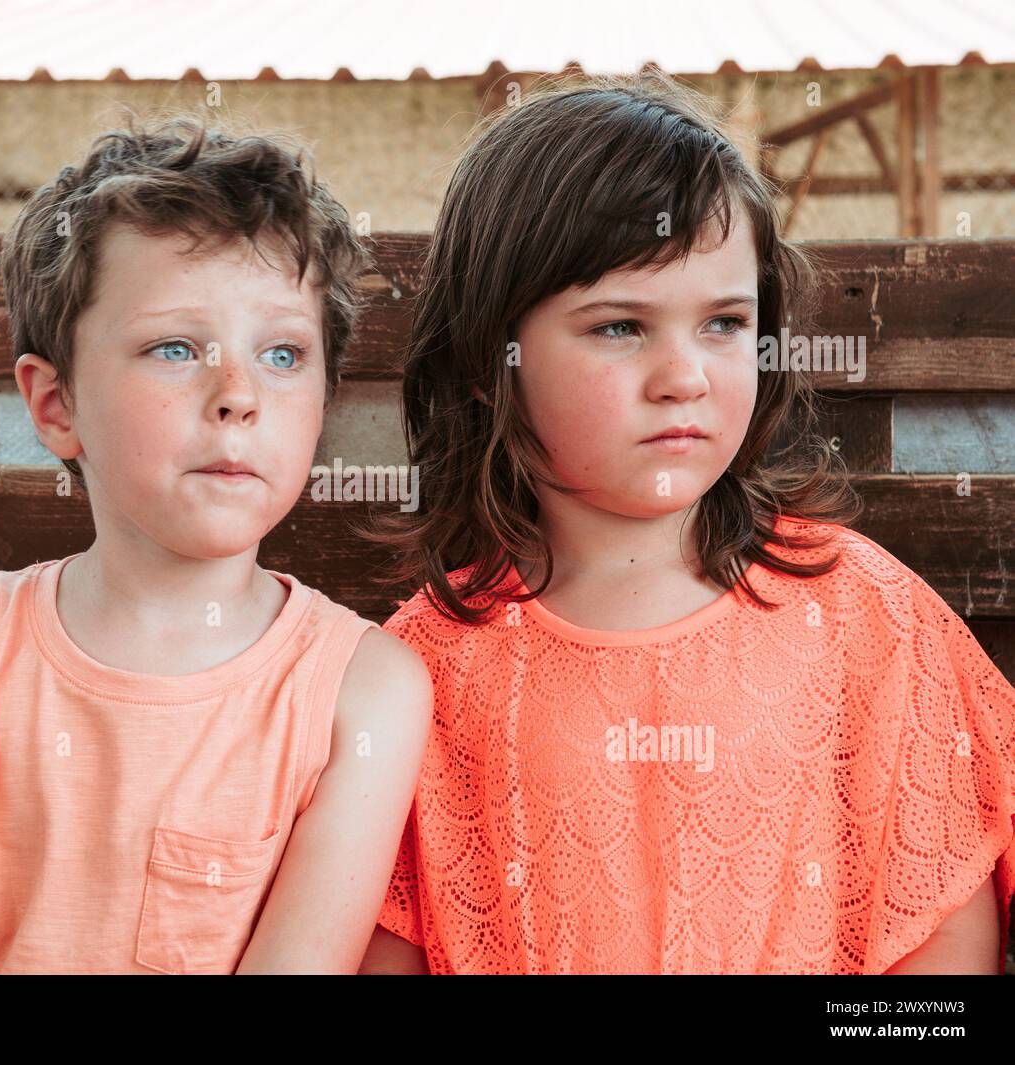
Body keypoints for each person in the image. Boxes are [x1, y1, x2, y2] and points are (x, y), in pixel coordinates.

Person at [356, 73, 1015, 975]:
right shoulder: (421, 673)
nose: (684, 375)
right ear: (487, 361)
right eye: (621, 326)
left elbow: (941, 940)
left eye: (724, 322)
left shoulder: (862, 615)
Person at [0, 114, 432, 975]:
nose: (238, 395)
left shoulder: (365, 693)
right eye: (176, 348)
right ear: (56, 403)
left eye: (284, 353)